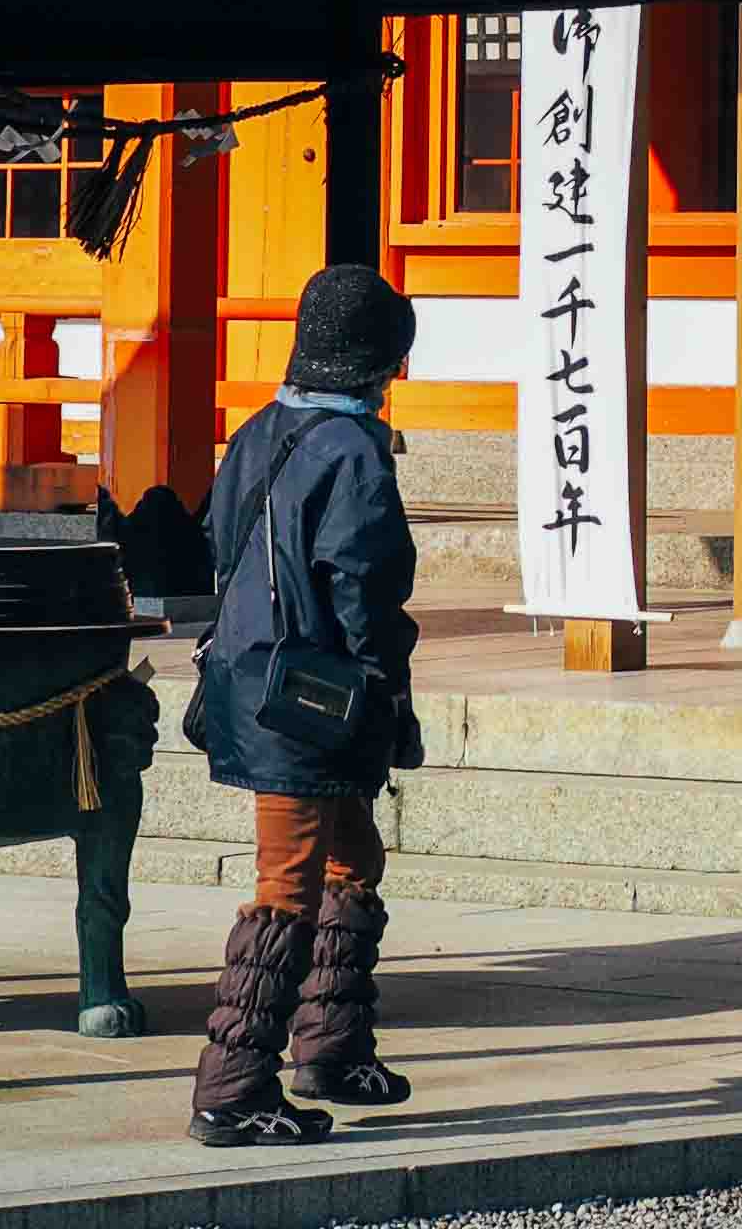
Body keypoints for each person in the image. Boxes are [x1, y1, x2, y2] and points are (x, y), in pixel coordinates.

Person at [185, 263, 425, 1149]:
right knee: (287, 886)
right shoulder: (356, 451)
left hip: (252, 680)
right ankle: (234, 1085)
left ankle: (332, 1047)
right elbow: (363, 584)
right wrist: (386, 693)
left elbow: (219, 543)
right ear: (376, 363)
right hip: (318, 695)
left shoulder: (258, 430)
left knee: (352, 858)